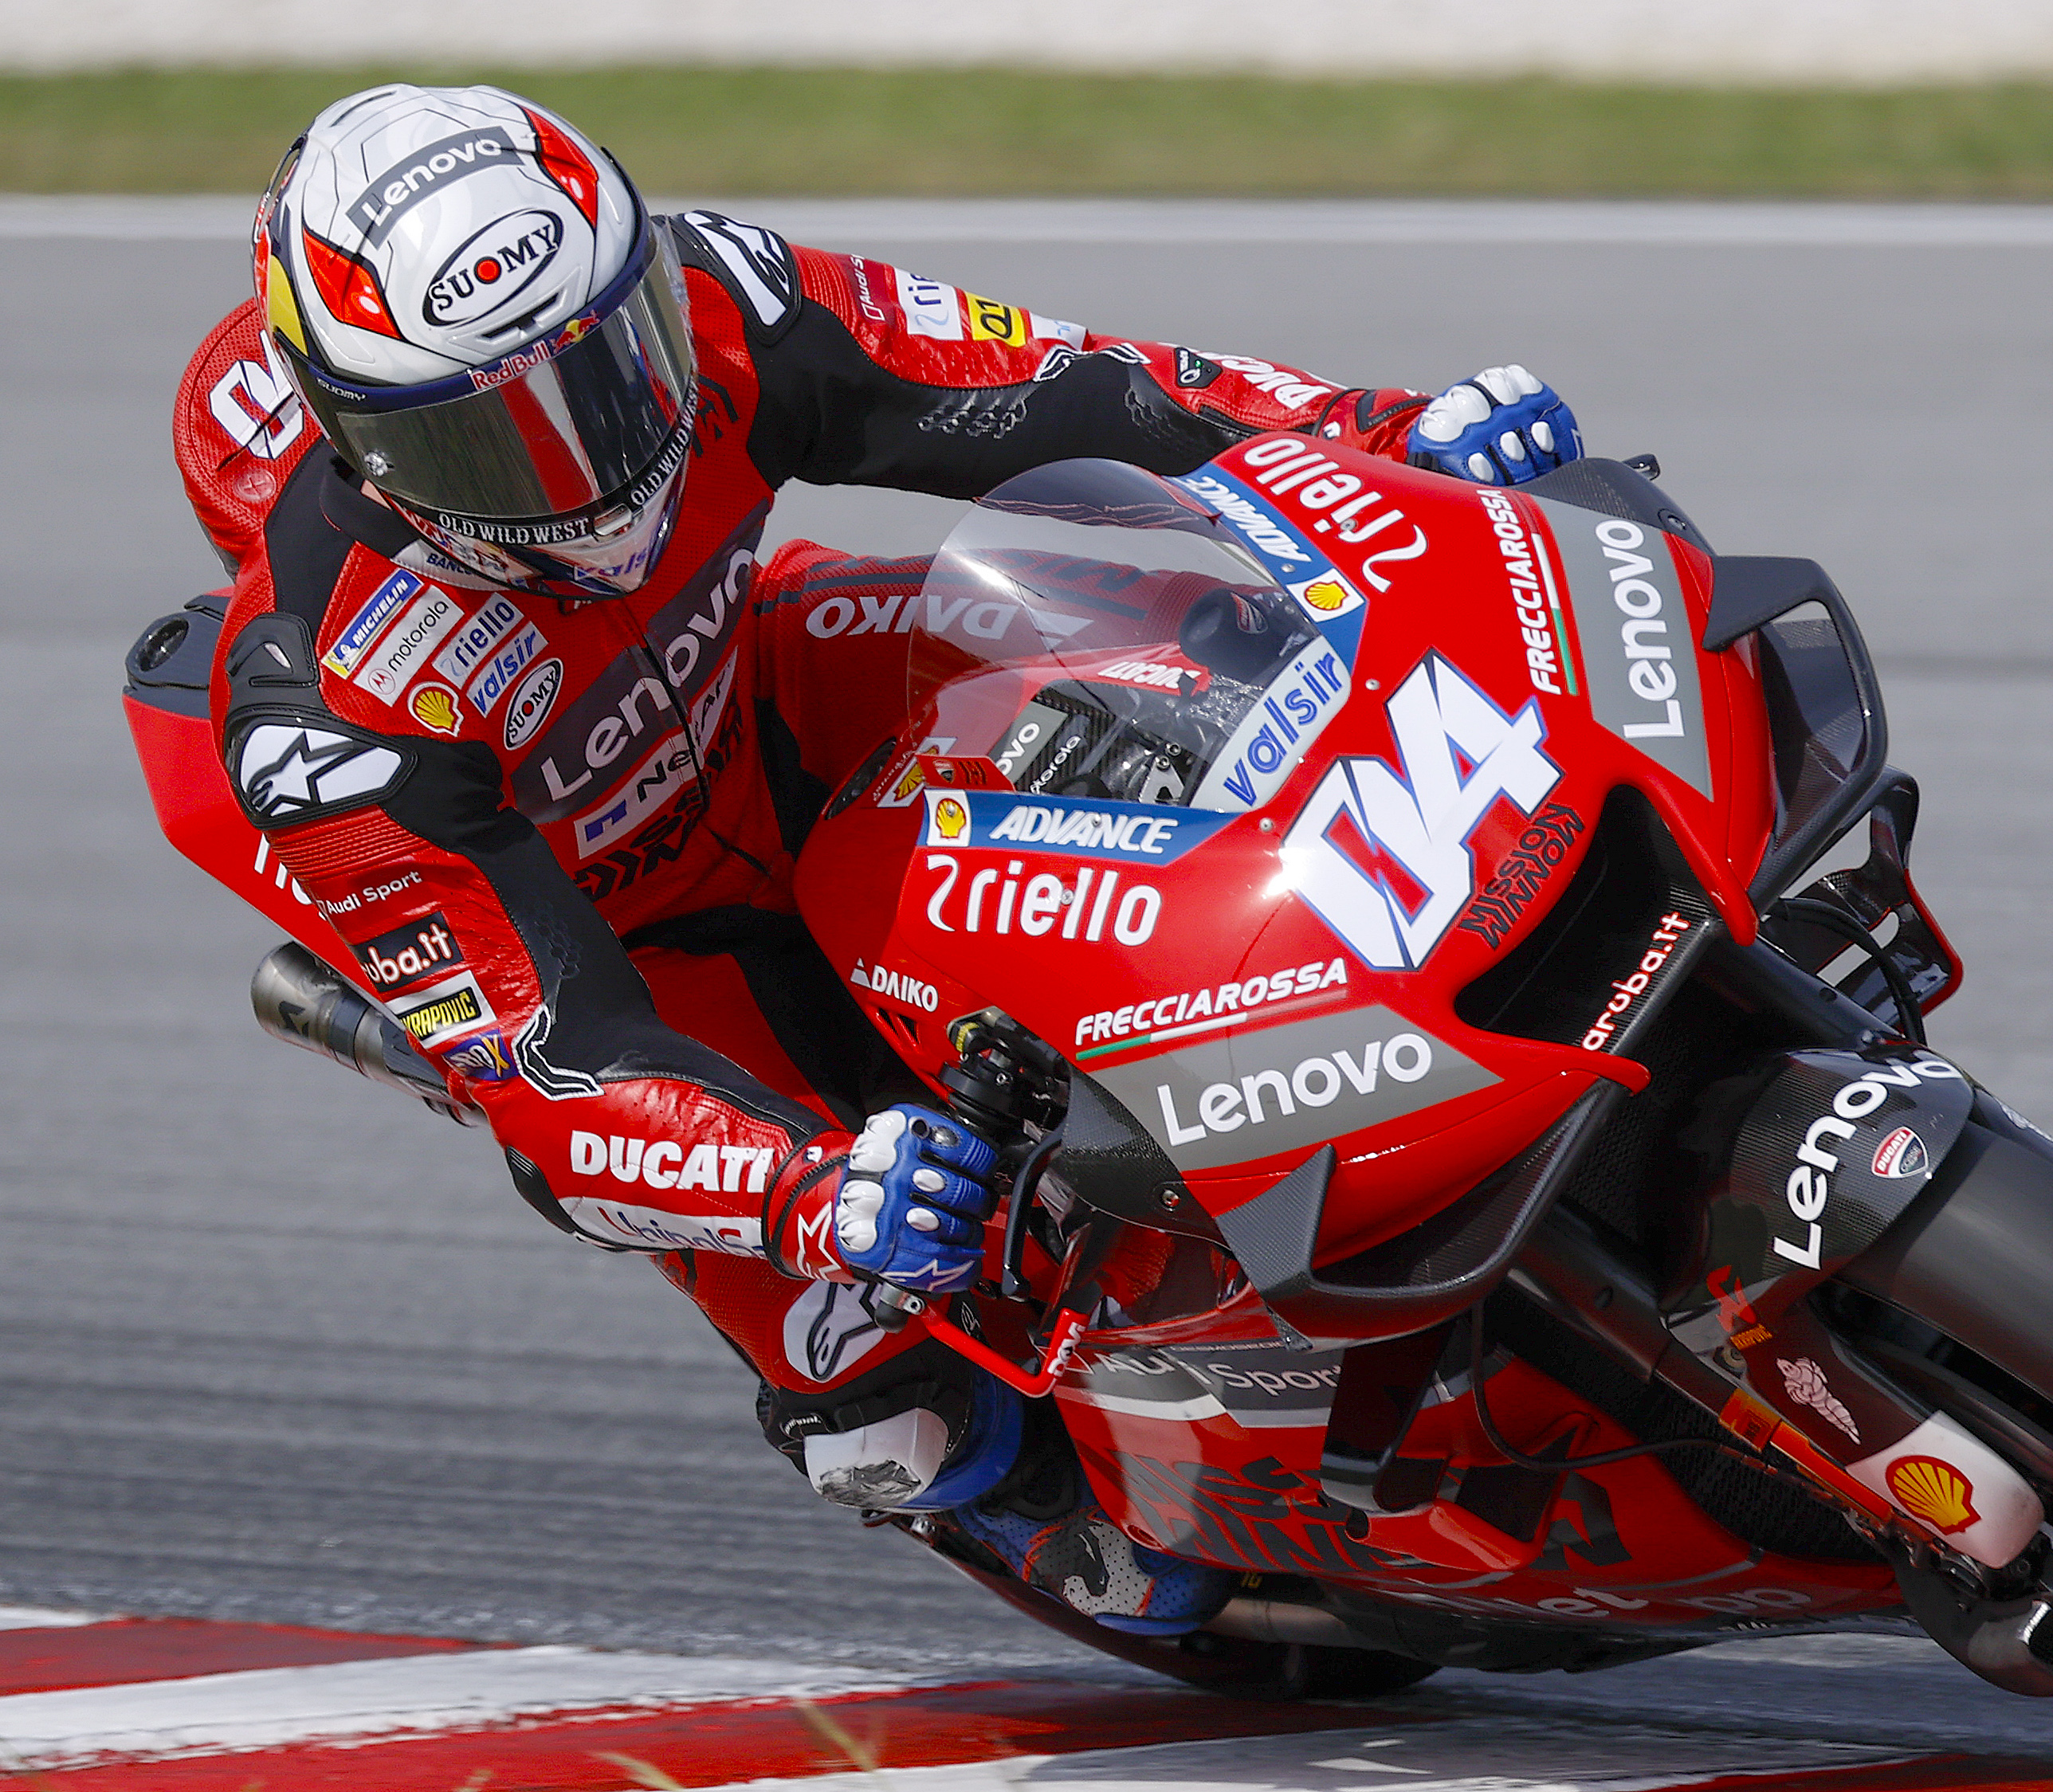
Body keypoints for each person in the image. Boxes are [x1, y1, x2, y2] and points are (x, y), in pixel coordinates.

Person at [175, 82, 1584, 1635]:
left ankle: (1465, 949)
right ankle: (1059, 1505)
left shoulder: (721, 297)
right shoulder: (335, 699)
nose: (595, 449)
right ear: (370, 449)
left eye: (607, 364)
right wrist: (811, 1195)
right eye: (494, 437)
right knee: (896, 1410)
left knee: (1199, 649)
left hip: (781, 696)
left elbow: (1051, 383)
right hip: (631, 949)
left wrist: (1370, 432)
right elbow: (546, 1060)